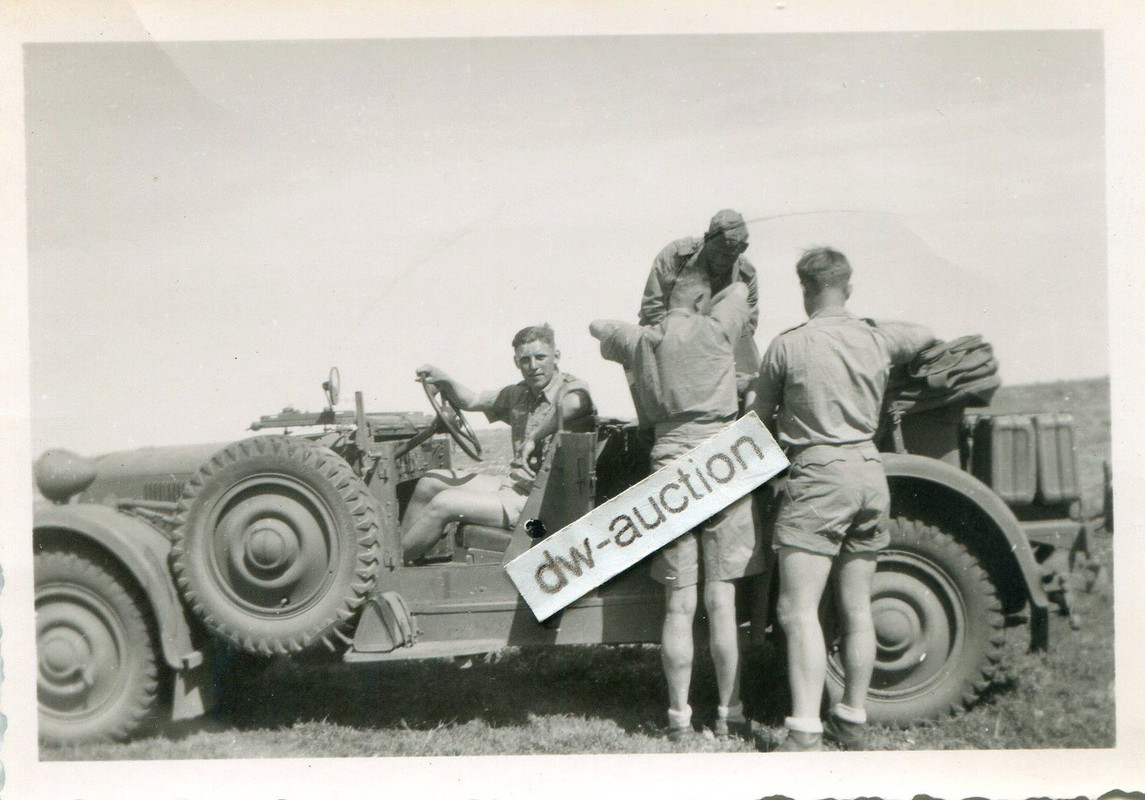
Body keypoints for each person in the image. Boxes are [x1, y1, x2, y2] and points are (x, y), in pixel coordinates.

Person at [751, 247, 937, 751]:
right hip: (870, 473)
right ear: (847, 287)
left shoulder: (788, 345)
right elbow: (923, 333)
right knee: (857, 606)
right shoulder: (875, 338)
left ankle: (805, 730)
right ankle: (851, 719)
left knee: (797, 610)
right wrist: (867, 326)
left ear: (805, 290)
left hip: (819, 476)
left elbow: (758, 422)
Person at [591, 280, 763, 743]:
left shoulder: (644, 338)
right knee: (722, 601)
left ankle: (679, 719)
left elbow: (598, 326)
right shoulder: (717, 326)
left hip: (670, 468)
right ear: (701, 300)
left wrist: (642, 327)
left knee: (679, 605)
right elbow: (740, 291)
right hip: (723, 464)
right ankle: (731, 713)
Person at [401, 324, 594, 564]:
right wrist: (444, 379)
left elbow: (576, 405)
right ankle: (397, 555)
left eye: (540, 357)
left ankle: (388, 573)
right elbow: (472, 400)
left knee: (444, 503)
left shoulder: (570, 388)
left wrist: (533, 437)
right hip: (515, 485)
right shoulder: (519, 394)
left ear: (556, 356)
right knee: (429, 483)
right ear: (516, 362)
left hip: (539, 507)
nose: (533, 366)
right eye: (525, 360)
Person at [639, 209, 760, 387]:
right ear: (706, 238)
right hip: (670, 338)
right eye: (717, 252)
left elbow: (747, 324)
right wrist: (689, 348)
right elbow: (652, 309)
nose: (721, 260)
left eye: (729, 255)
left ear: (741, 249)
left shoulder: (745, 274)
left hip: (718, 344)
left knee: (753, 382)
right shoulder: (675, 257)